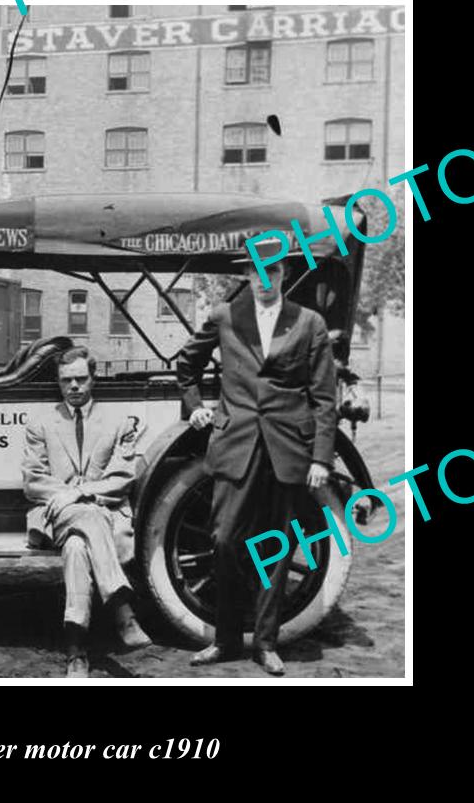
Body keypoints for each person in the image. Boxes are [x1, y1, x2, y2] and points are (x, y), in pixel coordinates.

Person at [176, 238, 337, 676]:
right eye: (257, 273)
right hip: (235, 446)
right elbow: (186, 364)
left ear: (284, 274)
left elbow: (324, 397)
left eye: (275, 272)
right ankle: (226, 640)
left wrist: (321, 459)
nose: (266, 281)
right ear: (247, 275)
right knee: (224, 540)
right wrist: (196, 407)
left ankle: (266, 643)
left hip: (287, 450)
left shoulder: (309, 323)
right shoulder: (225, 316)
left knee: (276, 548)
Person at [21, 346, 151, 679]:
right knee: (85, 518)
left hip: (101, 511)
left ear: (93, 379)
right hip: (56, 514)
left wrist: (81, 492)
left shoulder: (118, 422)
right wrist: (69, 497)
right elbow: (34, 481)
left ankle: (76, 651)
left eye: (81, 379)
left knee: (78, 547)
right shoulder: (41, 424)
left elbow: (123, 476)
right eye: (67, 381)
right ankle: (123, 612)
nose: (75, 386)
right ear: (59, 383)